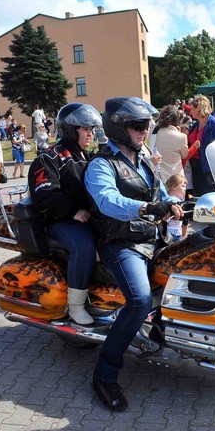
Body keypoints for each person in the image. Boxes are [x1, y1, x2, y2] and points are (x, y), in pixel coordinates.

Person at [84, 97, 182, 411]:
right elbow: (107, 200)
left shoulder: (142, 160)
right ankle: (104, 375)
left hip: (154, 238)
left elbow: (161, 195)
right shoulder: (101, 164)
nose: (145, 131)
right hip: (122, 244)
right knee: (139, 300)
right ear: (118, 127)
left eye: (147, 125)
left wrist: (177, 206)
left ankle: (163, 335)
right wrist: (144, 208)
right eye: (138, 125)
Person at [28, 103, 102, 325]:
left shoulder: (88, 156)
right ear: (70, 129)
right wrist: (72, 211)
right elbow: (45, 193)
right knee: (84, 247)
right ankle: (76, 306)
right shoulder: (49, 158)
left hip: (88, 216)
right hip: (61, 220)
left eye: (91, 129)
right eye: (84, 128)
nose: (90, 133)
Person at [186, 95, 215, 196]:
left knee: (210, 197)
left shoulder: (214, 124)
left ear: (198, 109)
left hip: (208, 168)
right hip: (195, 167)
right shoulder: (195, 125)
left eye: (192, 109)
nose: (190, 111)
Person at [153, 105, 189, 184]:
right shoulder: (181, 137)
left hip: (160, 177)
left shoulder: (155, 133)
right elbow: (185, 155)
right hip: (176, 177)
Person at [165, 174, 188, 242]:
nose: (185, 189)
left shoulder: (165, 200)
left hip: (166, 232)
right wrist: (184, 235)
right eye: (183, 186)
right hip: (175, 233)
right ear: (174, 186)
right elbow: (185, 221)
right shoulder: (178, 203)